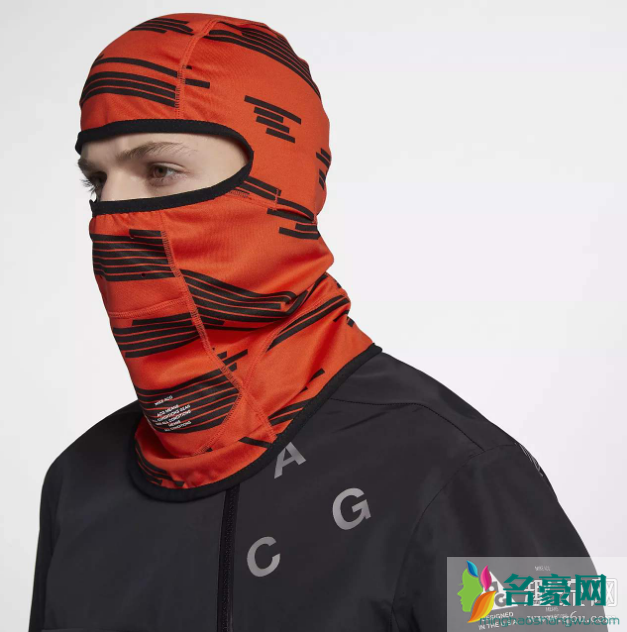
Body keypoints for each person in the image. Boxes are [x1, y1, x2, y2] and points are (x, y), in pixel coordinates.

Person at [28, 12, 599, 632]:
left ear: (277, 184)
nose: (111, 215)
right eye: (97, 182)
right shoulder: (76, 485)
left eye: (159, 170)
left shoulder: (469, 469)